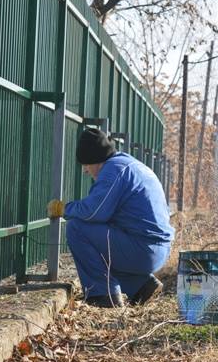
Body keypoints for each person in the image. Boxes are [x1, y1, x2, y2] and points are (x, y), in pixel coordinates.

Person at [47, 128, 174, 308]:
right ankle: (141, 287)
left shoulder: (114, 170)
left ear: (94, 160)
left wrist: (63, 208)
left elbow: (94, 211)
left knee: (76, 227)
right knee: (100, 242)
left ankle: (103, 295)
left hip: (143, 250)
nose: (86, 171)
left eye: (86, 166)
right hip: (156, 249)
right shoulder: (130, 164)